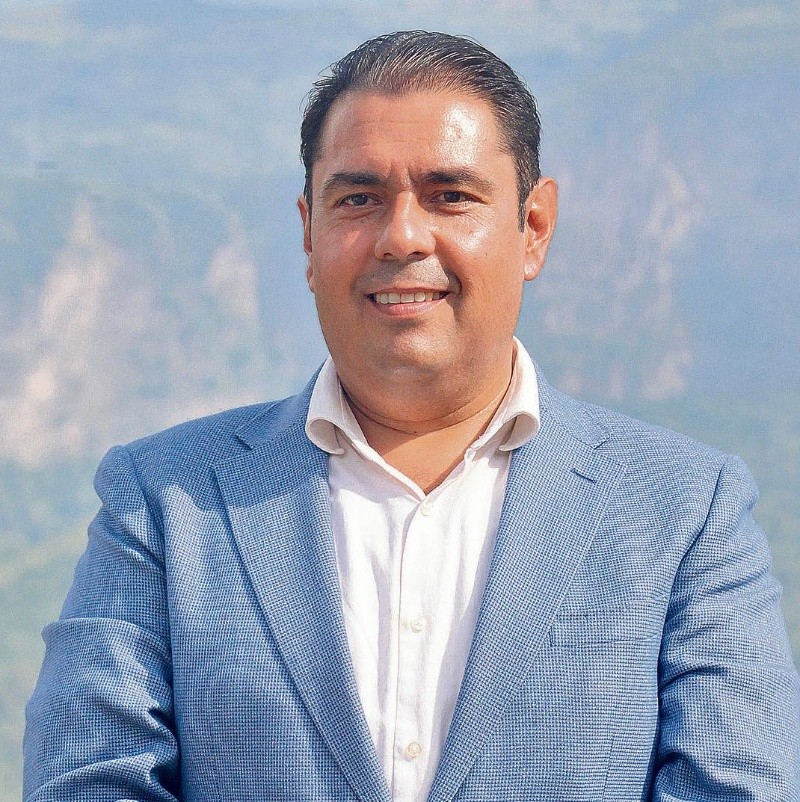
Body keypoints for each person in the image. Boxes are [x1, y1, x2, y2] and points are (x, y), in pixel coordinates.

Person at [24, 30, 799, 802]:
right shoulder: (165, 503)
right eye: (358, 199)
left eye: (450, 196)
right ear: (308, 233)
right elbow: (87, 782)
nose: (401, 236)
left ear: (533, 227)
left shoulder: (685, 512)